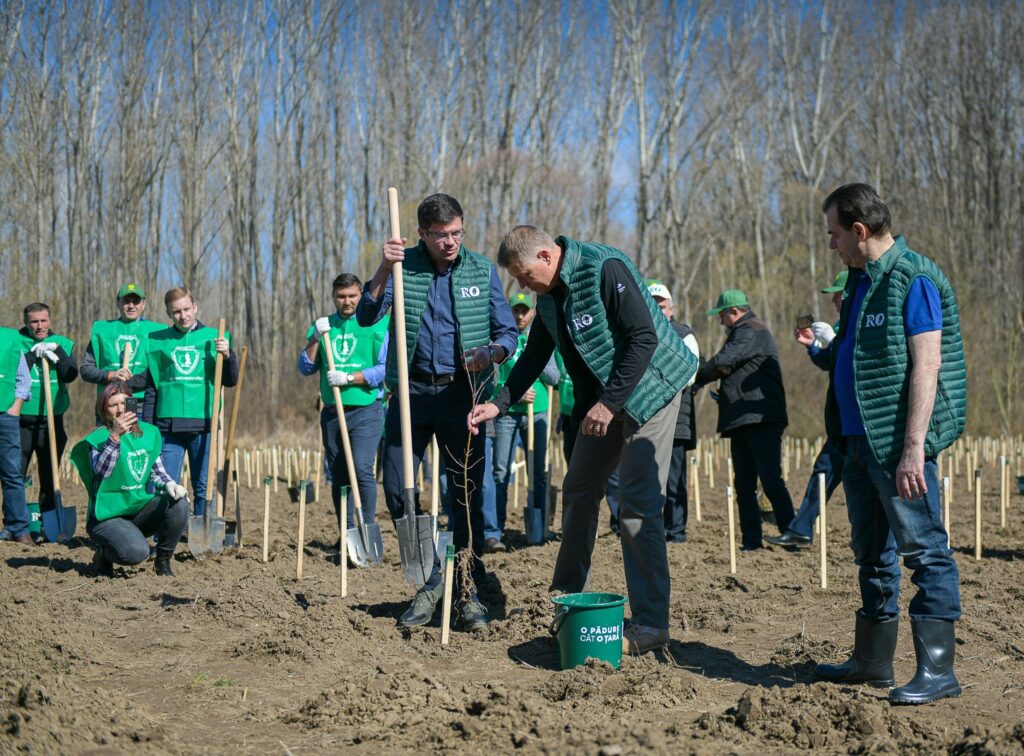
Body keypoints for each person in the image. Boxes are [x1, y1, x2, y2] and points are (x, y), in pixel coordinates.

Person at [469, 226, 698, 655]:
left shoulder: (603, 266)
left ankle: (651, 624)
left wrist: (609, 405)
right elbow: (535, 354)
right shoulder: (548, 297)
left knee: (635, 504)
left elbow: (644, 337)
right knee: (578, 488)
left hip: (654, 388)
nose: (521, 286)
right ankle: (564, 596)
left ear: (544, 255)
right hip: (606, 399)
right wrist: (499, 403)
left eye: (523, 275)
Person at [813, 183, 965, 705]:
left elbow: (928, 363)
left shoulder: (912, 276)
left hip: (897, 448)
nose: (831, 245)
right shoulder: (859, 283)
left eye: (834, 235)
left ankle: (938, 671)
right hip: (857, 444)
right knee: (872, 556)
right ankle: (873, 663)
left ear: (859, 231)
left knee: (925, 552)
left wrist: (912, 449)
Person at [357, 193, 518, 631]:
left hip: (461, 397)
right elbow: (367, 316)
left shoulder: (480, 270)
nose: (450, 242)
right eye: (440, 235)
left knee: (464, 496)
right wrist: (380, 267)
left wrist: (492, 353)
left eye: (456, 233)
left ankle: (464, 590)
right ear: (423, 234)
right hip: (409, 396)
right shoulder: (401, 267)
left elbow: (509, 332)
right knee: (396, 486)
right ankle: (432, 581)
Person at [695, 290, 794, 550]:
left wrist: (697, 377)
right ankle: (752, 541)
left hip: (759, 419)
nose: (720, 321)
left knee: (770, 479)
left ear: (734, 312)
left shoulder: (749, 330)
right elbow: (731, 368)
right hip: (743, 419)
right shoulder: (748, 331)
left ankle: (792, 536)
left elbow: (723, 362)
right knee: (744, 483)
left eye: (721, 316)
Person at [298, 272, 388, 536]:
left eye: (352, 296)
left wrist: (351, 377)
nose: (347, 301)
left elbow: (385, 369)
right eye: (341, 296)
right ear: (334, 297)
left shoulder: (377, 324)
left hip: (366, 408)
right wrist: (315, 337)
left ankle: (367, 528)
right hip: (333, 412)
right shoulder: (326, 326)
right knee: (338, 475)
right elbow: (305, 367)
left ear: (361, 295)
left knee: (361, 468)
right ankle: (347, 534)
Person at [71, 382, 190, 577]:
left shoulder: (149, 433)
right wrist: (115, 437)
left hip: (137, 510)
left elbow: (157, 471)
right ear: (104, 409)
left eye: (124, 403)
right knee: (136, 553)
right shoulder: (98, 438)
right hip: (106, 516)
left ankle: (163, 561)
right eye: (113, 405)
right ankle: (104, 553)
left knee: (179, 504)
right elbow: (102, 472)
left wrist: (170, 484)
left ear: (133, 404)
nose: (120, 410)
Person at [765, 271, 847, 550]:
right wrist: (813, 346)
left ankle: (895, 541)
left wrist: (834, 340)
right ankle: (801, 529)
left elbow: (853, 362)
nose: (834, 301)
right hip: (842, 421)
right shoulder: (842, 323)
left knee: (871, 487)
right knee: (823, 471)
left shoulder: (859, 324)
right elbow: (830, 362)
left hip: (861, 423)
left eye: (837, 294)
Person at [142, 288, 239, 515]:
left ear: (195, 307)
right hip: (168, 427)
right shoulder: (158, 342)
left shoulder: (215, 338)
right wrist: (147, 427)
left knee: (203, 486)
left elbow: (230, 380)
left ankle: (202, 532)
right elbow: (151, 389)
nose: (183, 315)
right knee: (166, 485)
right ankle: (163, 536)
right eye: (176, 312)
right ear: (168, 313)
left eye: (186, 309)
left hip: (204, 425)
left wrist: (228, 356)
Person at [488, 291, 559, 551]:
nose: (520, 315)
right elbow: (493, 382)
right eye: (516, 310)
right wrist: (514, 394)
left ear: (532, 314)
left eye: (524, 311)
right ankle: (495, 530)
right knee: (500, 472)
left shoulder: (541, 338)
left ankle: (538, 528)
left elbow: (554, 377)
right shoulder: (501, 340)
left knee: (538, 472)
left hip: (537, 413)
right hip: (507, 415)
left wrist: (534, 355)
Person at [19, 303, 78, 542]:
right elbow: (13, 371)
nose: (39, 326)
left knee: (49, 474)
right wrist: (32, 355)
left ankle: (48, 525)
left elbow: (70, 374)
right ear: (26, 322)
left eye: (43, 321)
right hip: (21, 421)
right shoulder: (17, 342)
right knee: (15, 474)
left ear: (50, 320)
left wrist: (58, 352)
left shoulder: (62, 342)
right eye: (34, 321)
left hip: (52, 421)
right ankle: (16, 524)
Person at [646, 280, 699, 543]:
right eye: (653, 304)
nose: (658, 310)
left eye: (662, 305)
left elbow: (690, 374)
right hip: (648, 417)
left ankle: (676, 530)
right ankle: (656, 528)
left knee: (675, 478)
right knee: (652, 478)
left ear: (671, 308)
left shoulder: (683, 334)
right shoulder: (642, 331)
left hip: (677, 418)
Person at [81, 283, 165, 406]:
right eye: (126, 301)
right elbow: (86, 370)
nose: (131, 306)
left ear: (143, 304)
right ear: (118, 303)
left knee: (136, 426)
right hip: (109, 403)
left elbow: (161, 369)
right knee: (112, 426)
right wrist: (110, 375)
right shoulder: (102, 331)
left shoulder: (158, 332)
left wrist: (131, 384)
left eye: (136, 301)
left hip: (142, 403)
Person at [0, 326, 33, 545]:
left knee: (12, 473)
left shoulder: (10, 338)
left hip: (5, 416)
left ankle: (19, 528)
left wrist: (16, 407)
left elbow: (24, 378)